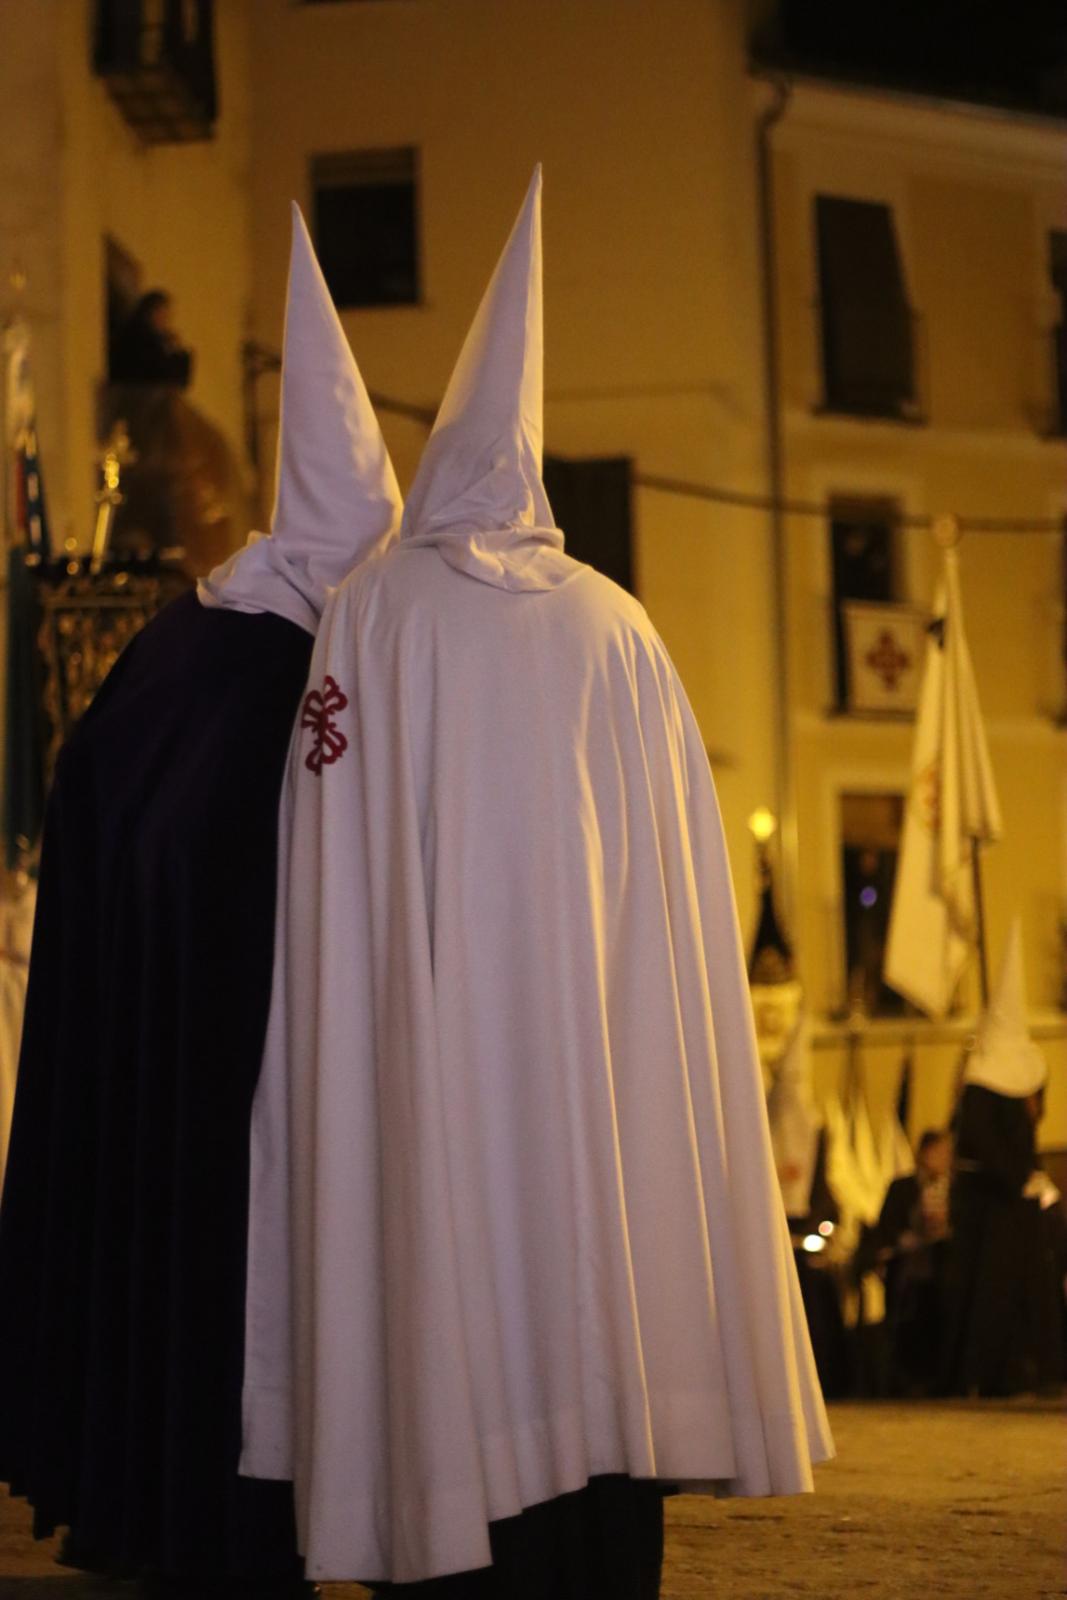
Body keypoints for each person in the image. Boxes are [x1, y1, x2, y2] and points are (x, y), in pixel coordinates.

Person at [241, 167, 832, 1596]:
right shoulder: (621, 632)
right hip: (597, 1103)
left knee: (448, 1299)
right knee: (593, 1371)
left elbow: (330, 884)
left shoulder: (372, 616)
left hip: (435, 1079)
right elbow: (678, 917)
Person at [0, 206, 402, 1595]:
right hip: (252, 1058)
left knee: (168, 1258)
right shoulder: (313, 658)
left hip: (161, 1047)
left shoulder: (181, 646)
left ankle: (142, 1486)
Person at [942, 919, 1063, 1397]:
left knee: (1031, 1286)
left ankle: (1035, 1367)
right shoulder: (979, 1084)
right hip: (988, 1201)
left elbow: (1028, 1127)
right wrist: (1016, 1177)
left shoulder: (1027, 1072)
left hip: (1016, 1199)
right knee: (989, 1290)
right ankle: (984, 1375)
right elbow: (982, 1140)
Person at [860, 1129, 950, 1395]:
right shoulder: (902, 1187)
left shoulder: (952, 1189)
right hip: (907, 1267)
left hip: (940, 1267)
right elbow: (887, 1227)